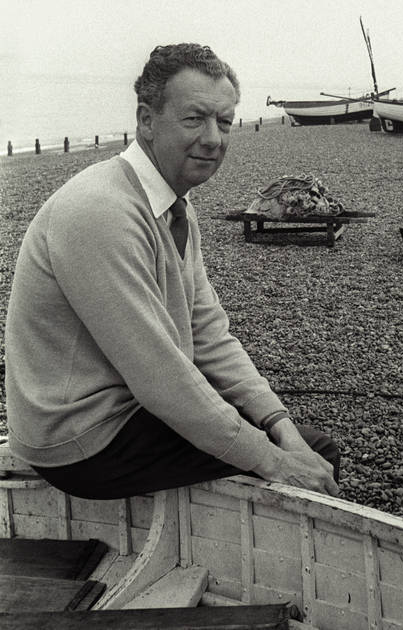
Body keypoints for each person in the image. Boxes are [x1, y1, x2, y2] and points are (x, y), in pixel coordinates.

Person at [4, 43, 340, 500]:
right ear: (146, 120)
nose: (213, 138)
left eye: (224, 121)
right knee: (315, 457)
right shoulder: (101, 212)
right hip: (80, 440)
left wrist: (278, 423)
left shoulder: (173, 205)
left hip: (125, 409)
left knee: (305, 445)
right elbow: (159, 378)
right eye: (194, 118)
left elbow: (208, 333)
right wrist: (274, 460)